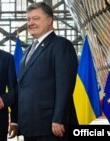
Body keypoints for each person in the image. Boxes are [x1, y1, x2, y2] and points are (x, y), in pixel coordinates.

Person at [17, 2, 78, 141]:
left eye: (36, 18)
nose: (30, 23)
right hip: (31, 125)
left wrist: (58, 118)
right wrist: (3, 99)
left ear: (50, 20)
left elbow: (65, 86)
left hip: (52, 126)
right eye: (28, 19)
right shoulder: (28, 51)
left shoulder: (61, 45)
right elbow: (24, 87)